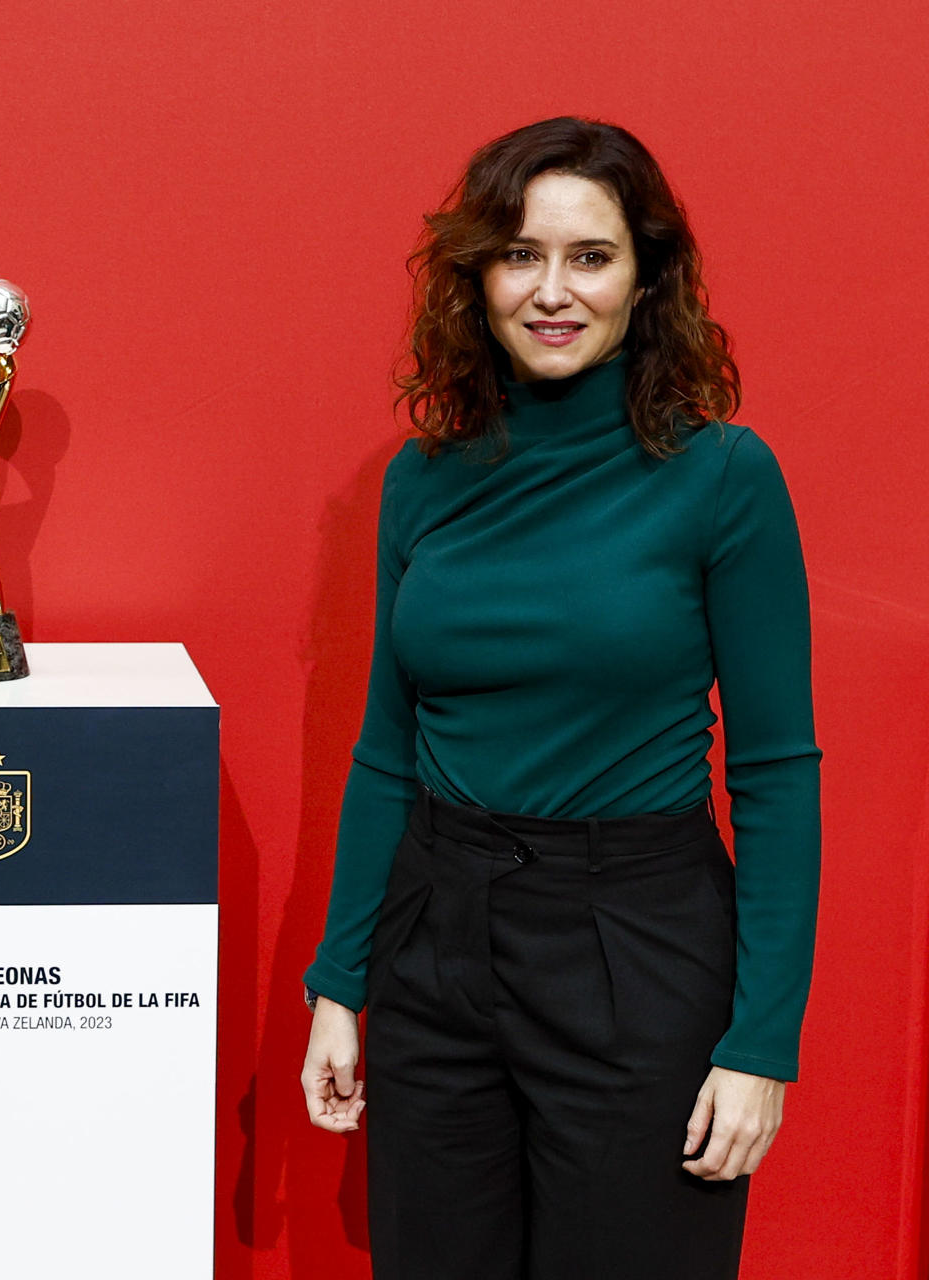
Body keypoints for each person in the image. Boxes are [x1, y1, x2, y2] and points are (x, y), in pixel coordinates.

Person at [298, 118, 820, 1278]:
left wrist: (763, 1041)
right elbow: (388, 749)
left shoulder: (723, 475)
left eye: (590, 256)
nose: (552, 290)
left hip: (637, 947)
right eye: (520, 254)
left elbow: (777, 771)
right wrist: (342, 983)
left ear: (646, 278)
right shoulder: (421, 479)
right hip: (437, 943)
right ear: (477, 274)